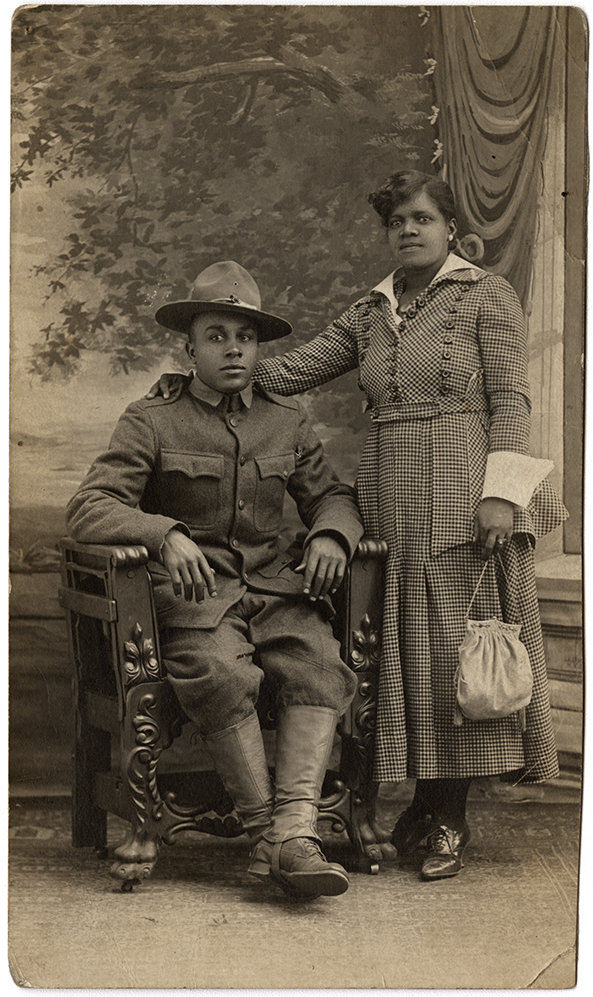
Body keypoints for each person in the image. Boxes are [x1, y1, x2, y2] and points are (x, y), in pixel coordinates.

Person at [149, 171, 568, 881]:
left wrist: (502, 494)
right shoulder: (373, 310)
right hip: (385, 493)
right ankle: (405, 807)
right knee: (398, 652)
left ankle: (448, 818)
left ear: (451, 231)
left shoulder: (484, 295)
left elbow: (513, 400)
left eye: (421, 218)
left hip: (460, 486)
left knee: (449, 650)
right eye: (396, 221)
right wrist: (196, 381)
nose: (407, 230)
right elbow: (292, 370)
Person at [66, 260, 365, 900]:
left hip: (278, 594)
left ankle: (287, 836)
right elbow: (90, 506)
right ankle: (279, 837)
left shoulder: (286, 418)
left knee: (319, 665)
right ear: (190, 346)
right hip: (196, 604)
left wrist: (331, 535)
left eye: (246, 336)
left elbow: (331, 495)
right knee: (223, 674)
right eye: (217, 335)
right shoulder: (152, 418)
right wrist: (163, 533)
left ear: (259, 346)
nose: (233, 349)